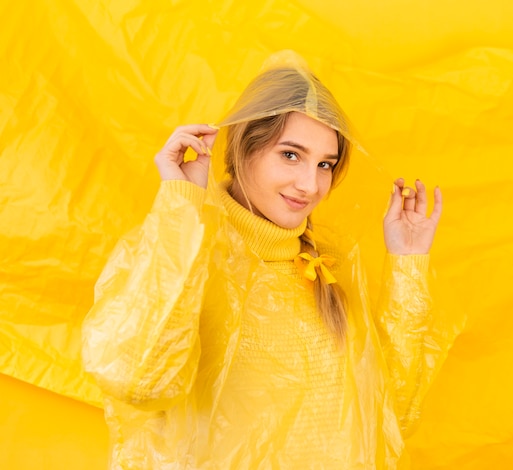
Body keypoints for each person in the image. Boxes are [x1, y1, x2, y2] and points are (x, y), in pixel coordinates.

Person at [82, 55, 444, 469]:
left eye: (325, 164)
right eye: (291, 155)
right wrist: (181, 209)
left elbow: (389, 415)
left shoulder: (325, 270)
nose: (310, 185)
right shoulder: (184, 251)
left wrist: (408, 263)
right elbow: (137, 379)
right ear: (242, 149)